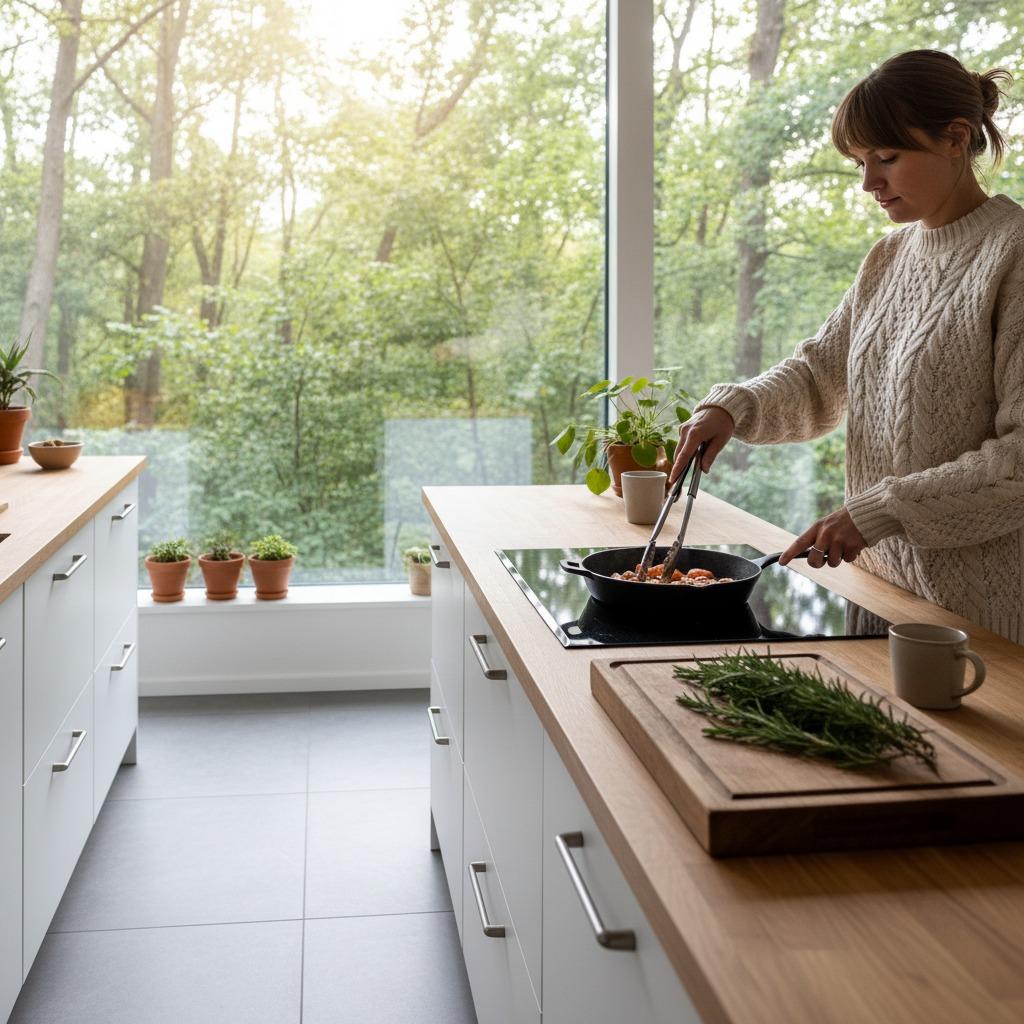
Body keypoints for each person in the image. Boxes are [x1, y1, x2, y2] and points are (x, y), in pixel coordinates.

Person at [669, 49, 1024, 645]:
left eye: (887, 157)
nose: (869, 182)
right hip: (876, 595)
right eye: (860, 161)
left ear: (956, 138)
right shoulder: (888, 257)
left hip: (977, 620)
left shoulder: (1013, 254)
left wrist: (881, 511)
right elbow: (821, 375)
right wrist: (732, 407)